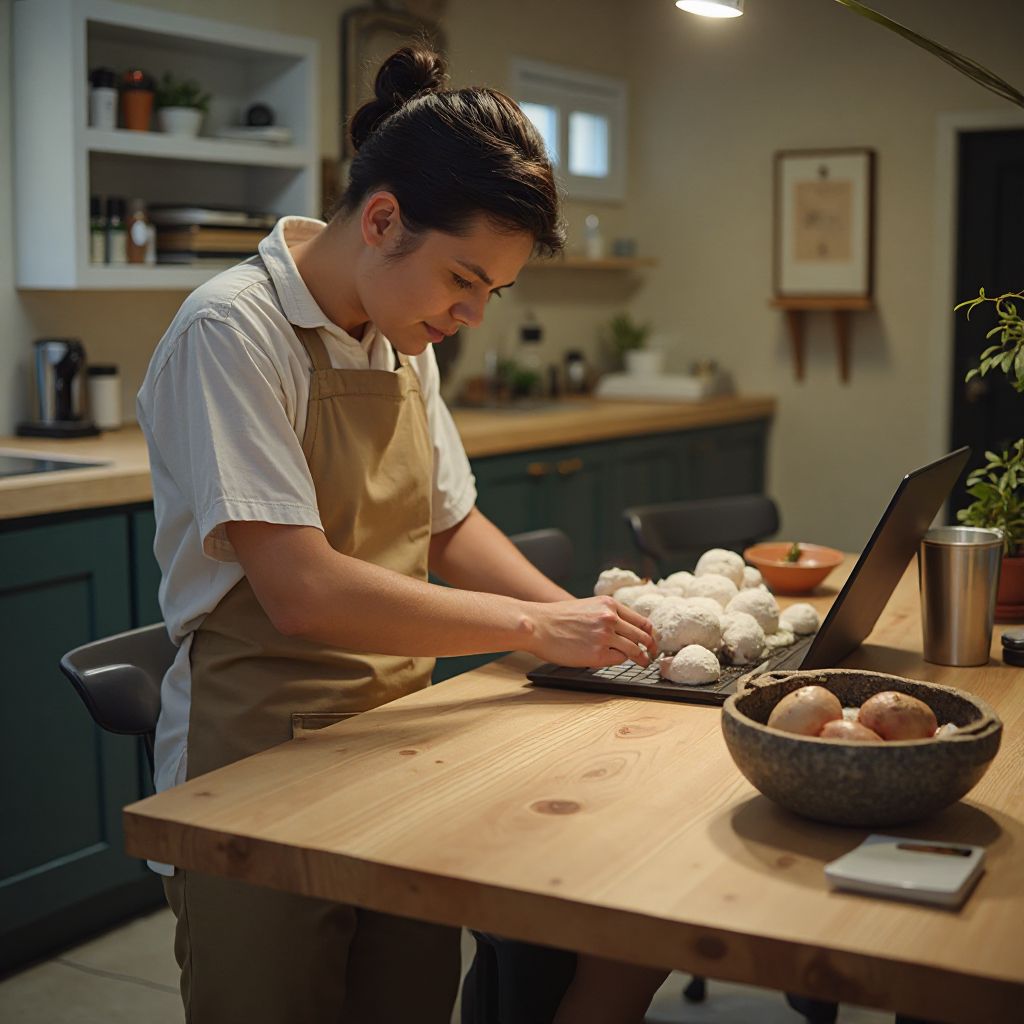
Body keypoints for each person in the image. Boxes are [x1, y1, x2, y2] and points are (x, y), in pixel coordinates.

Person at [138, 44, 659, 1024]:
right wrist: (534, 629)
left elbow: (451, 524)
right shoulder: (232, 332)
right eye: (463, 278)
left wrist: (603, 630)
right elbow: (302, 591)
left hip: (399, 737)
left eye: (492, 292)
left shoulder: (401, 335)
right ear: (381, 220)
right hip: (257, 760)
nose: (471, 315)